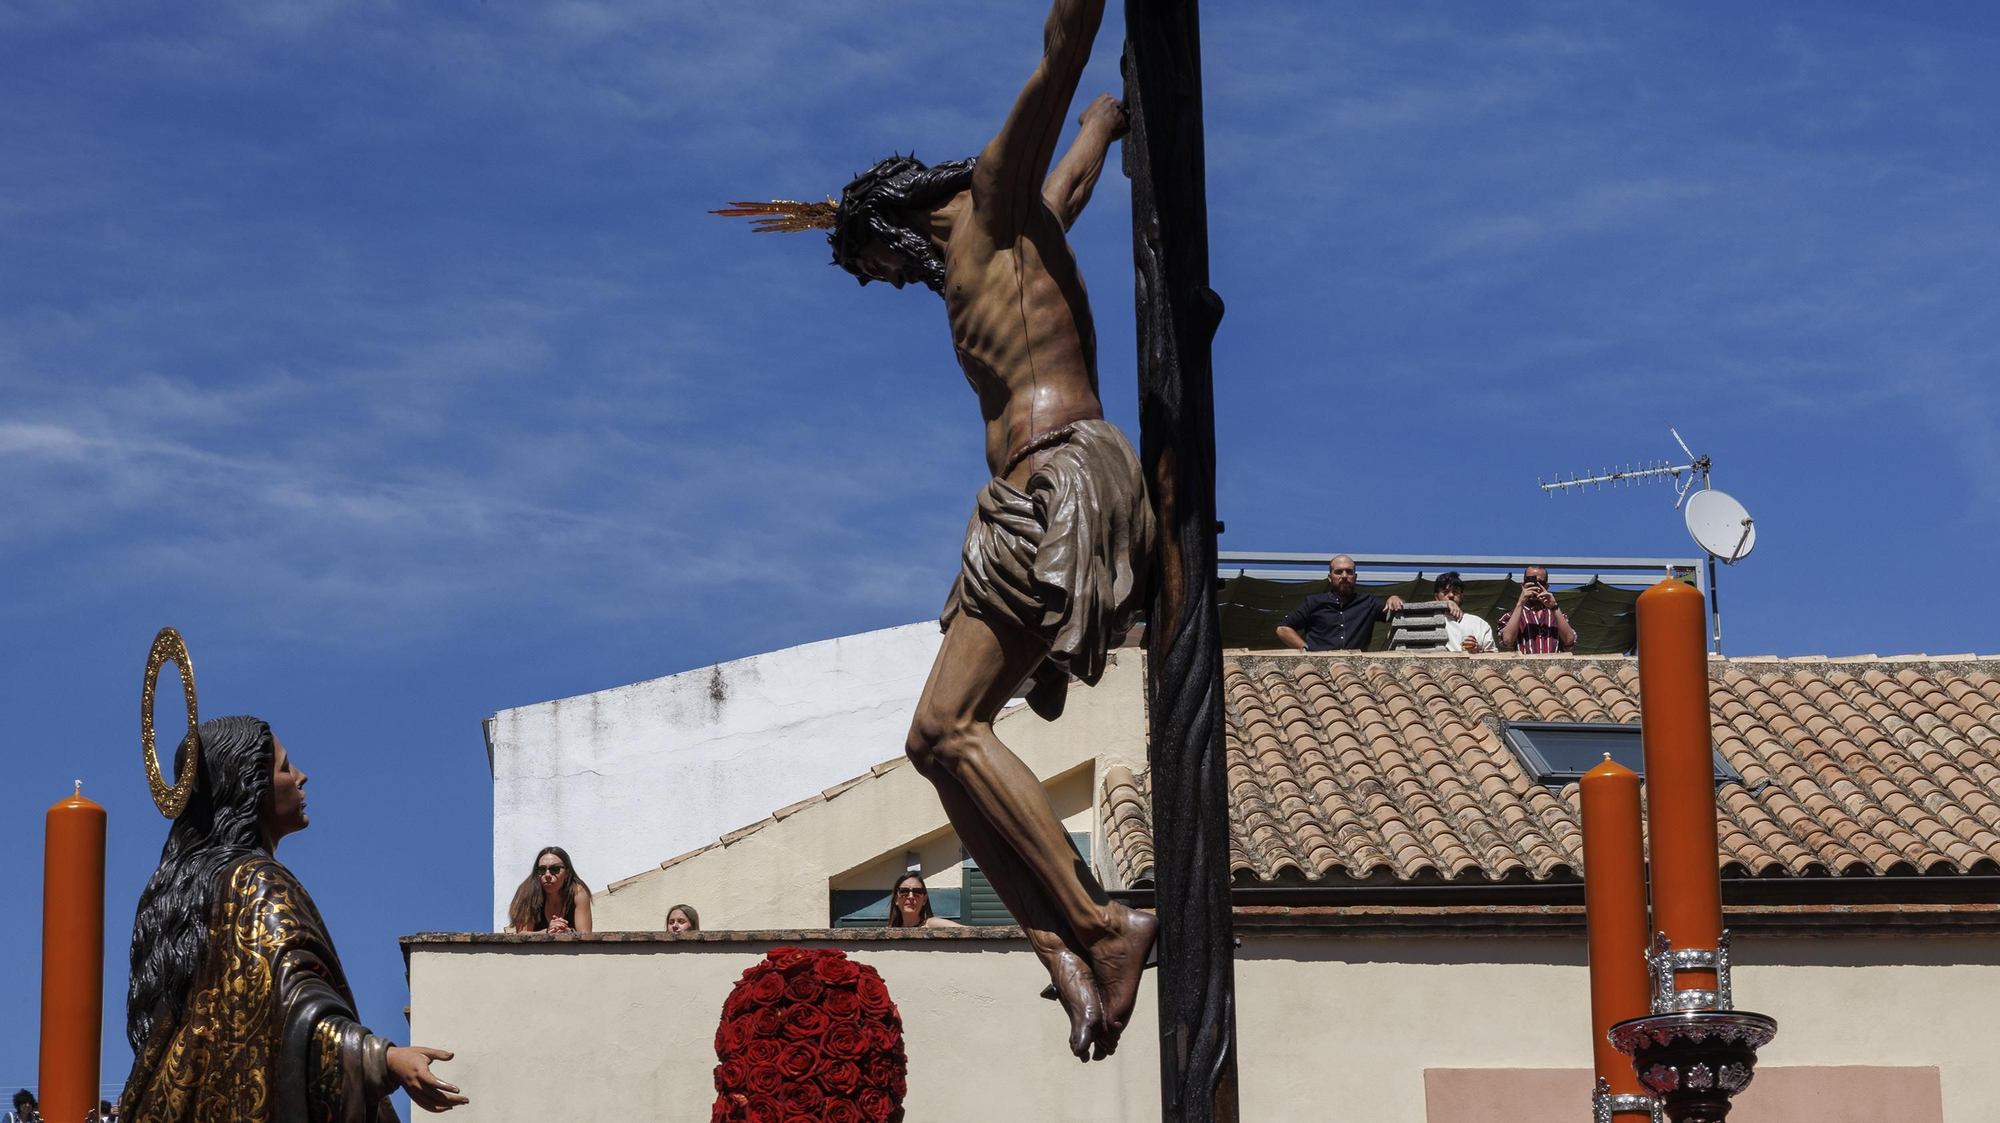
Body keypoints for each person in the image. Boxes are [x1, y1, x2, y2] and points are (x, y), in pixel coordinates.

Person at [716, 0, 1155, 1063]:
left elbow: (1056, 54)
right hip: (1021, 494)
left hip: (1060, 478)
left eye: (877, 270)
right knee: (934, 740)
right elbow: (1076, 181)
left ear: (891, 230)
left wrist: (1081, 82)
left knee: (945, 729)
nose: (891, 286)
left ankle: (1103, 926)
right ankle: (1068, 946)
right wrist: (1104, 122)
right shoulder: (1013, 236)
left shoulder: (991, 198)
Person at [121, 715, 467, 1120]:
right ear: (248, 784)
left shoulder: (200, 886)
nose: (300, 776)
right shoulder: (254, 880)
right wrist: (384, 1060)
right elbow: (293, 1012)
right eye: (285, 767)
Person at [1275, 555, 1408, 651]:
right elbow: (1283, 629)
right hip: (1318, 671)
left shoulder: (1368, 602)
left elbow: (1399, 613)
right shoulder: (1314, 602)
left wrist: (1394, 598)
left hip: (1357, 670)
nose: (1344, 576)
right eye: (1338, 572)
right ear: (1329, 577)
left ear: (1355, 577)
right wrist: (1306, 651)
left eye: (1349, 572)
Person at [505, 846, 593, 934]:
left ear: (567, 873)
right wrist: (548, 931)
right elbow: (522, 934)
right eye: (542, 869)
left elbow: (585, 934)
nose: (547, 874)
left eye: (555, 869)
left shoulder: (578, 892)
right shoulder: (527, 892)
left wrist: (567, 932)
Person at [1499, 565, 1578, 653]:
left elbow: (1569, 640)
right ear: (1523, 585)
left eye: (1541, 583)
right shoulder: (1512, 615)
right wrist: (1520, 604)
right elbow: (1508, 640)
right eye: (1531, 582)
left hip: (1553, 664)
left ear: (1547, 586)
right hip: (1525, 665)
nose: (1536, 587)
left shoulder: (1558, 615)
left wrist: (1554, 607)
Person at [1433, 571, 1496, 653]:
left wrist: (1478, 652)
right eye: (1445, 592)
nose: (1451, 595)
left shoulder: (1479, 624)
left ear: (1461, 596)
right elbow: (1414, 608)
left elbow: (1493, 656)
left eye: (1455, 592)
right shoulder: (1430, 621)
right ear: (1437, 597)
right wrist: (1447, 603)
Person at [885, 873, 965, 929]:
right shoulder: (889, 932)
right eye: (904, 891)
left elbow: (968, 932)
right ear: (896, 899)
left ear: (924, 900)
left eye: (917, 892)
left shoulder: (931, 925)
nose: (911, 896)